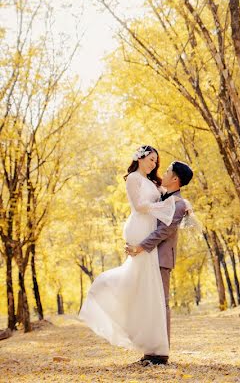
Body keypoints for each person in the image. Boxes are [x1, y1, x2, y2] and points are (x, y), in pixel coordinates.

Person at [79, 145, 177, 361]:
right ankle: (105, 295)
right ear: (140, 158)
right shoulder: (133, 178)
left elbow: (166, 198)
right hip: (140, 230)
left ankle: (154, 346)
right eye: (151, 159)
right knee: (140, 284)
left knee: (146, 288)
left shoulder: (153, 182)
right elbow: (139, 206)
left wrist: (178, 204)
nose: (154, 164)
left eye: (156, 162)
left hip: (149, 230)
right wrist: (166, 206)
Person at [125, 159, 193, 366]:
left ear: (175, 178)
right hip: (149, 257)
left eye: (167, 171)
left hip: (161, 258)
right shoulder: (162, 195)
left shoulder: (179, 204)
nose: (161, 172)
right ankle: (150, 351)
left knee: (161, 304)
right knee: (149, 304)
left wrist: (140, 247)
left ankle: (161, 354)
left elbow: (163, 232)